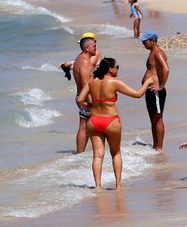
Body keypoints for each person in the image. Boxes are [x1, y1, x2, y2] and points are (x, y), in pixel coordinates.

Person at [77, 57, 153, 190]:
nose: (117, 69)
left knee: (97, 156)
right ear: (110, 69)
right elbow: (137, 94)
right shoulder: (114, 82)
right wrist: (148, 82)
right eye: (117, 67)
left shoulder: (92, 80)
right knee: (116, 153)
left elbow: (80, 100)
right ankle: (118, 186)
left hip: (94, 121)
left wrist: (91, 105)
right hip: (110, 121)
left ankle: (98, 186)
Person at [59, 32, 102, 154]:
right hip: (85, 98)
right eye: (93, 46)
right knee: (85, 127)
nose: (95, 48)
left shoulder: (82, 59)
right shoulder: (84, 61)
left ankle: (81, 154)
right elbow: (85, 84)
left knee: (85, 126)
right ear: (87, 48)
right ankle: (82, 154)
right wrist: (90, 101)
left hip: (82, 97)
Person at [140, 31, 170, 150]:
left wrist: (161, 86)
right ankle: (155, 145)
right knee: (153, 118)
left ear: (153, 41)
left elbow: (166, 69)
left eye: (145, 41)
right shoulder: (152, 52)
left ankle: (159, 147)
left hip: (156, 91)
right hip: (151, 91)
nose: (143, 43)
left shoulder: (157, 53)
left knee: (157, 118)